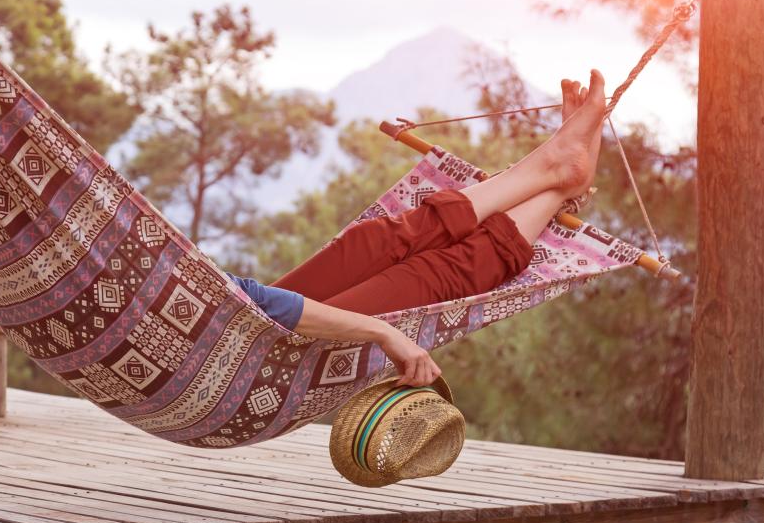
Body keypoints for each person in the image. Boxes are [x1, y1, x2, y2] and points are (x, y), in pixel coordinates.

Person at [227, 70, 607, 390]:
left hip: (238, 311)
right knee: (427, 278)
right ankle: (554, 177)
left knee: (371, 240)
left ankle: (557, 179)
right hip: (258, 361)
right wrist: (384, 332)